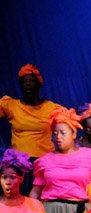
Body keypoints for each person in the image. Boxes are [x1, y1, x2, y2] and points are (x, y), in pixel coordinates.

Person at [0, 64, 62, 193]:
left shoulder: (52, 108)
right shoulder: (11, 106)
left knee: (41, 203)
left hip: (44, 163)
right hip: (18, 165)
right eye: (24, 81)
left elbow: (67, 125)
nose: (28, 84)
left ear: (39, 84)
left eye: (31, 81)